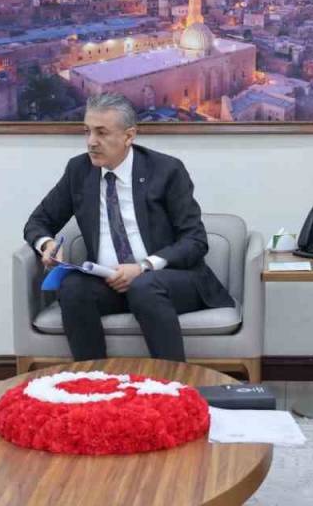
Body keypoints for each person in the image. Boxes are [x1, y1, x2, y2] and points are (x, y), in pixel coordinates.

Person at [23, 93, 232, 362]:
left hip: (169, 281)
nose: (91, 142)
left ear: (129, 135)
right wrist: (47, 244)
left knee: (143, 287)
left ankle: (172, 388)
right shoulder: (79, 171)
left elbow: (195, 240)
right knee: (73, 288)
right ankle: (94, 384)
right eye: (86, 132)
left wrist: (143, 267)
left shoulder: (166, 170)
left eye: (101, 133)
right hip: (108, 281)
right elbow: (38, 222)